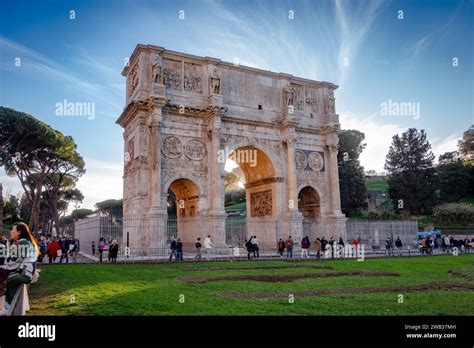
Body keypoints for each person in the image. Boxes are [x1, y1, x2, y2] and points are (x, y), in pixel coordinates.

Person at [1, 222, 39, 314]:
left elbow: (14, 260)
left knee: (6, 278)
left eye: (13, 229)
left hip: (23, 274)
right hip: (23, 272)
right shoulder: (22, 242)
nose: (11, 232)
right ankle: (6, 308)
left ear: (19, 232)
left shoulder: (23, 242)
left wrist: (3, 266)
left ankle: (7, 309)